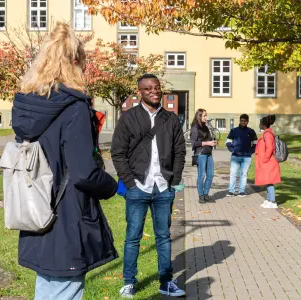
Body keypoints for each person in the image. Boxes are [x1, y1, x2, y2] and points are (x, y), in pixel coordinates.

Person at [11, 22, 118, 300]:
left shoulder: (28, 103)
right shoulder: (74, 106)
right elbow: (84, 172)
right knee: (65, 291)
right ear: (75, 62)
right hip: (67, 214)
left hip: (36, 210)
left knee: (48, 287)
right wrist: (112, 186)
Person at [111, 74, 186, 297]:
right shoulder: (128, 118)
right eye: (148, 88)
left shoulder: (171, 119)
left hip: (163, 188)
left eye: (157, 87)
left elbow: (180, 151)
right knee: (133, 236)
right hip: (138, 188)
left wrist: (174, 180)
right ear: (140, 93)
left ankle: (166, 282)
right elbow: (118, 153)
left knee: (163, 236)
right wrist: (130, 182)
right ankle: (129, 281)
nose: (154, 91)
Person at [226, 114, 258, 197]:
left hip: (246, 157)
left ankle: (242, 191)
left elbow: (255, 143)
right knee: (233, 174)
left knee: (243, 174)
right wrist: (232, 149)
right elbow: (228, 141)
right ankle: (231, 191)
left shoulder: (251, 131)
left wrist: (251, 151)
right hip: (235, 156)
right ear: (239, 121)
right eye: (241, 121)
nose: (243, 122)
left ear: (247, 122)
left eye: (245, 121)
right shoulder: (234, 130)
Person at [190, 109, 217, 203]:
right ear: (199, 116)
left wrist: (213, 142)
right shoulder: (195, 127)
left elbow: (208, 138)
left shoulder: (205, 127)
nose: (206, 117)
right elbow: (193, 143)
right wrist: (208, 142)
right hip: (200, 153)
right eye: (204, 116)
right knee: (201, 175)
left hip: (209, 153)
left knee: (210, 174)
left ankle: (206, 194)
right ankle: (201, 196)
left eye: (206, 115)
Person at [255, 115, 281, 208]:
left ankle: (273, 202)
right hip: (267, 162)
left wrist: (264, 159)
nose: (259, 125)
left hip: (269, 162)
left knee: (269, 181)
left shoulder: (267, 134)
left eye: (260, 123)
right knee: (267, 180)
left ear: (263, 124)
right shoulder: (266, 133)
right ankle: (269, 199)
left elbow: (270, 148)